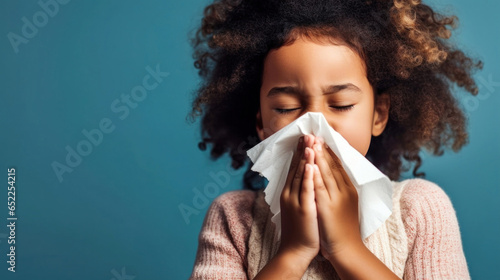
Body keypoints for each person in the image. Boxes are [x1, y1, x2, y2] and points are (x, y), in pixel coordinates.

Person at [187, 0, 482, 279]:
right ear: (261, 124)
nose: (314, 129)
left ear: (378, 115)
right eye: (287, 108)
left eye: (340, 104)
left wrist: (347, 249)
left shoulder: (419, 208)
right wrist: (293, 252)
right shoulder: (232, 217)